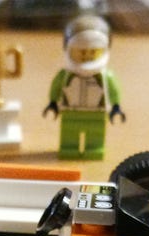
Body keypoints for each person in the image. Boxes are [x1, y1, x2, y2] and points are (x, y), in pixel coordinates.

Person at [43, 15, 125, 160]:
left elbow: (113, 91)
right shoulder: (65, 75)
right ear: (68, 48)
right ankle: (69, 148)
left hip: (97, 113)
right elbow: (56, 87)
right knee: (69, 134)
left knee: (95, 135)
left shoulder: (106, 76)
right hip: (70, 112)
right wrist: (53, 102)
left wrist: (116, 106)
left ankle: (94, 148)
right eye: (80, 52)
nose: (86, 57)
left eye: (93, 52)